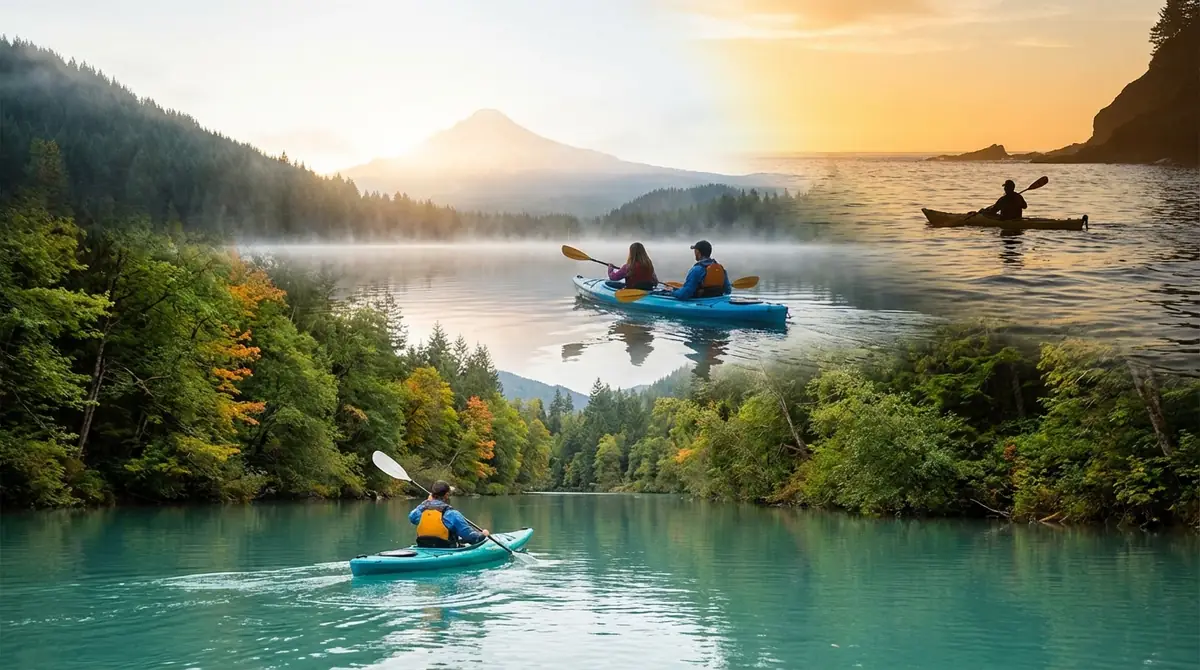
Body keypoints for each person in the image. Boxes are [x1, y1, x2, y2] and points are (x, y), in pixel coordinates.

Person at [408, 480, 490, 547]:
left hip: (424, 548)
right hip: (446, 550)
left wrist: (427, 502)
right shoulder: (452, 514)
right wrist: (483, 535)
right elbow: (471, 539)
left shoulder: (421, 512)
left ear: (432, 494)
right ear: (446, 495)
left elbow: (412, 517)